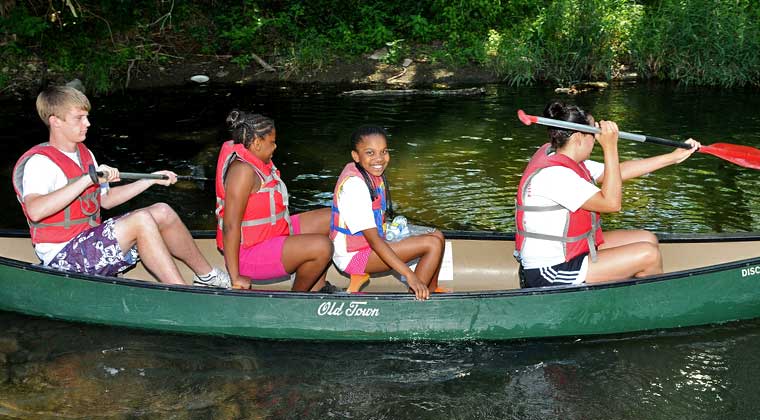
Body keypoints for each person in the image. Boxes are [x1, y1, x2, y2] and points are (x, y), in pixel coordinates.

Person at [12, 85, 230, 288]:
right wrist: (88, 179)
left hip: (88, 241)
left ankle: (207, 276)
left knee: (162, 211)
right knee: (141, 221)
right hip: (62, 257)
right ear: (55, 121)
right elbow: (35, 211)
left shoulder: (84, 153)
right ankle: (181, 292)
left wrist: (150, 179)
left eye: (87, 117)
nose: (87, 123)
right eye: (79, 118)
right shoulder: (40, 163)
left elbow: (105, 200)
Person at [514, 101, 701, 288]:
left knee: (647, 239)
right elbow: (612, 203)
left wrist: (673, 158)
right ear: (579, 137)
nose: (596, 139)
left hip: (574, 252)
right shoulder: (555, 175)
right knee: (648, 255)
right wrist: (610, 147)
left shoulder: (562, 156)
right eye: (594, 134)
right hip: (551, 270)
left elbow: (616, 172)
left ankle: (629, 290)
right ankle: (651, 305)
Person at [215, 110, 334, 291]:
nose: (275, 147)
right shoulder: (242, 172)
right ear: (256, 143)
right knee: (322, 247)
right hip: (248, 254)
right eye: (272, 142)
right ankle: (296, 299)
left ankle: (318, 287)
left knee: (333, 217)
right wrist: (236, 276)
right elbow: (230, 226)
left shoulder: (255, 161)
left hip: (270, 234)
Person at [330, 125, 446, 300]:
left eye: (383, 151)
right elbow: (374, 241)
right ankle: (414, 298)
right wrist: (410, 276)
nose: (379, 159)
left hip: (371, 244)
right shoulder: (354, 186)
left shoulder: (371, 173)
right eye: (370, 153)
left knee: (437, 235)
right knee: (432, 244)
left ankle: (431, 289)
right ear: (356, 156)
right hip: (353, 257)